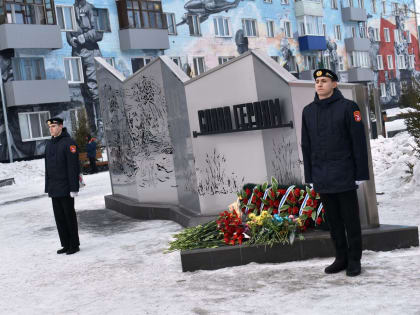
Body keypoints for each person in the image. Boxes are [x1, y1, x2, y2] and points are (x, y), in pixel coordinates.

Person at [301, 69, 369, 277]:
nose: (319, 84)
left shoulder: (349, 108)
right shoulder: (309, 111)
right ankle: (341, 258)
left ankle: (354, 259)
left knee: (350, 219)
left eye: (324, 81)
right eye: (317, 81)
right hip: (322, 175)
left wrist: (360, 172)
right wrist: (310, 176)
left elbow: (358, 142)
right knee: (333, 220)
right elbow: (306, 144)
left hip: (344, 172)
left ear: (335, 84)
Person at [66, 0, 103, 138]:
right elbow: (67, 31)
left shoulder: (90, 8)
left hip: (90, 51)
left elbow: (99, 33)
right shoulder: (70, 10)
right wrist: (71, 40)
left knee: (94, 89)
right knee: (84, 92)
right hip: (76, 53)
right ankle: (91, 129)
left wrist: (84, 36)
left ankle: (101, 126)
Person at [44, 117, 81, 255]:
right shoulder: (50, 144)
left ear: (60, 127)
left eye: (53, 126)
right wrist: (48, 187)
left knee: (69, 217)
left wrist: (74, 188)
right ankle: (65, 244)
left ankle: (74, 244)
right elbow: (48, 168)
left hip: (66, 188)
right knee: (59, 218)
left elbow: (73, 167)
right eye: (50, 127)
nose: (51, 129)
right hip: (54, 188)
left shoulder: (68, 143)